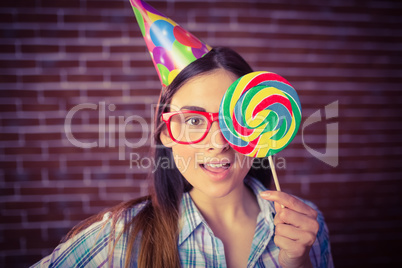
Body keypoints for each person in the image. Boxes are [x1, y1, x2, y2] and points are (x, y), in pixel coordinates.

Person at [31, 47, 333, 268]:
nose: (217, 143)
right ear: (165, 134)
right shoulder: (120, 237)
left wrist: (298, 263)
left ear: (260, 124)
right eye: (193, 120)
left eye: (233, 119)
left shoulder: (307, 226)